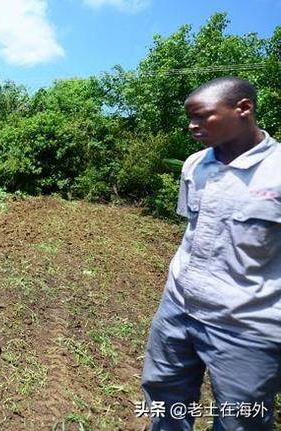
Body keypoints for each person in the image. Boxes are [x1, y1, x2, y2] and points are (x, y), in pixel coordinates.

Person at [141, 77, 281, 430]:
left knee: (240, 420)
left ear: (243, 108)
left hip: (247, 324)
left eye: (202, 117)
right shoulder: (194, 166)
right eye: (190, 118)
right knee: (164, 399)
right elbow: (191, 232)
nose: (192, 126)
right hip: (178, 309)